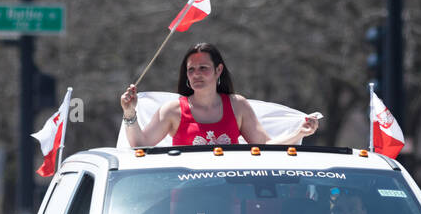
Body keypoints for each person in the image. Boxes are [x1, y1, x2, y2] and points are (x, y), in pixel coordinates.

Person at [119, 43, 319, 147]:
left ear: (218, 70)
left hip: (229, 201)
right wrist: (129, 112)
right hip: (185, 202)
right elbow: (140, 145)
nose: (196, 74)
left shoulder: (238, 105)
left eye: (203, 68)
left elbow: (264, 145)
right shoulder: (172, 110)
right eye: (191, 70)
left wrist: (298, 133)